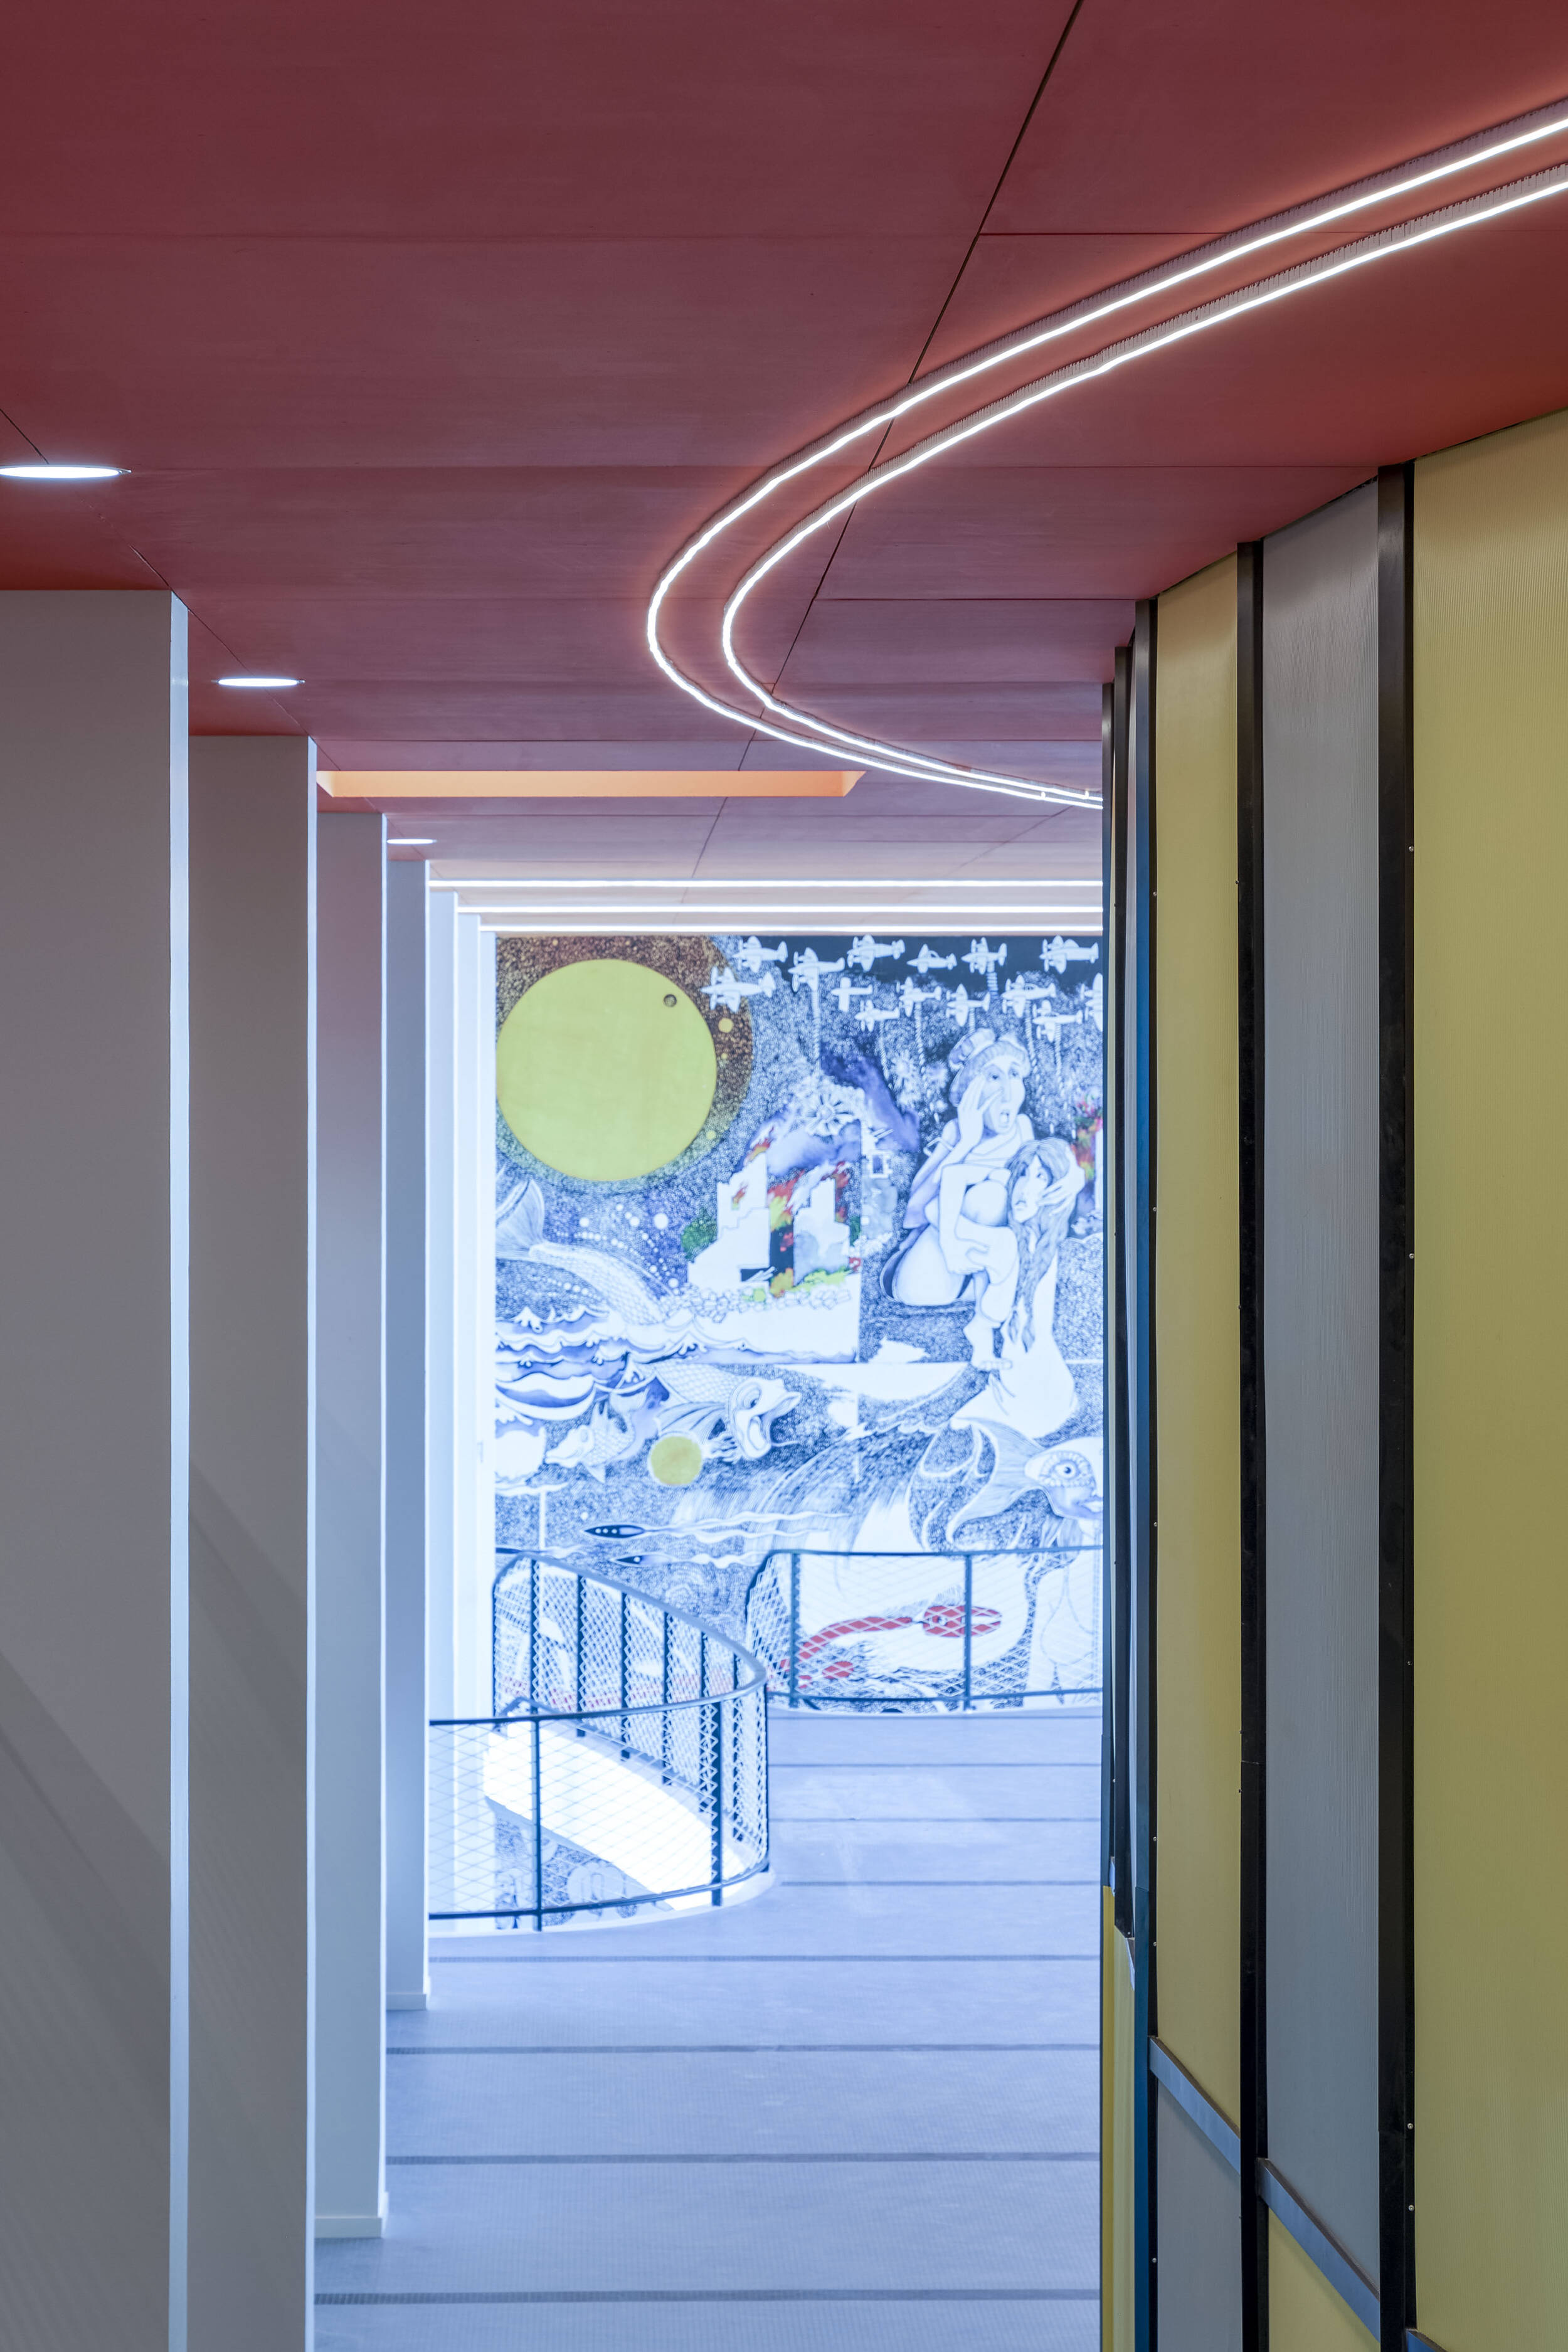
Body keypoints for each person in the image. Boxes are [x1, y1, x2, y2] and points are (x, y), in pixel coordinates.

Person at [884, 1031, 1033, 1312]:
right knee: (918, 1290)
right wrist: (966, 1144)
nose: (1007, 1090)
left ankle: (985, 1286)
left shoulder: (1022, 1130)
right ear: (971, 1092)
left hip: (991, 1252)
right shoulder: (956, 1133)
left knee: (993, 1194)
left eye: (1014, 1074)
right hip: (942, 1257)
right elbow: (916, 1211)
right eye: (994, 1077)